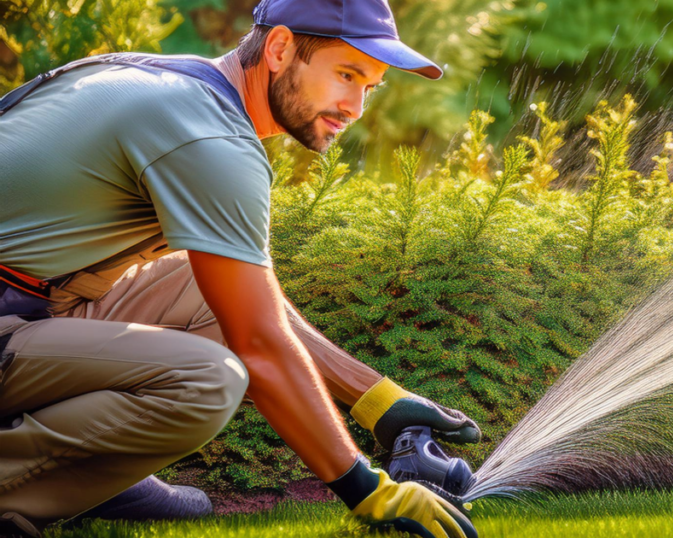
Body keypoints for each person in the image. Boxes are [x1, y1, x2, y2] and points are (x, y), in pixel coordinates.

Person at [0, 0, 480, 536]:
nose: (356, 106)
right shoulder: (208, 136)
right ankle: (27, 479)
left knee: (204, 283)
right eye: (346, 74)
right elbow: (260, 343)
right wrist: (368, 491)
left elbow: (247, 307)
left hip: (31, 301)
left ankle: (80, 471)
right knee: (207, 380)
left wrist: (380, 404)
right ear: (278, 49)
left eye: (370, 86)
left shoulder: (161, 79)